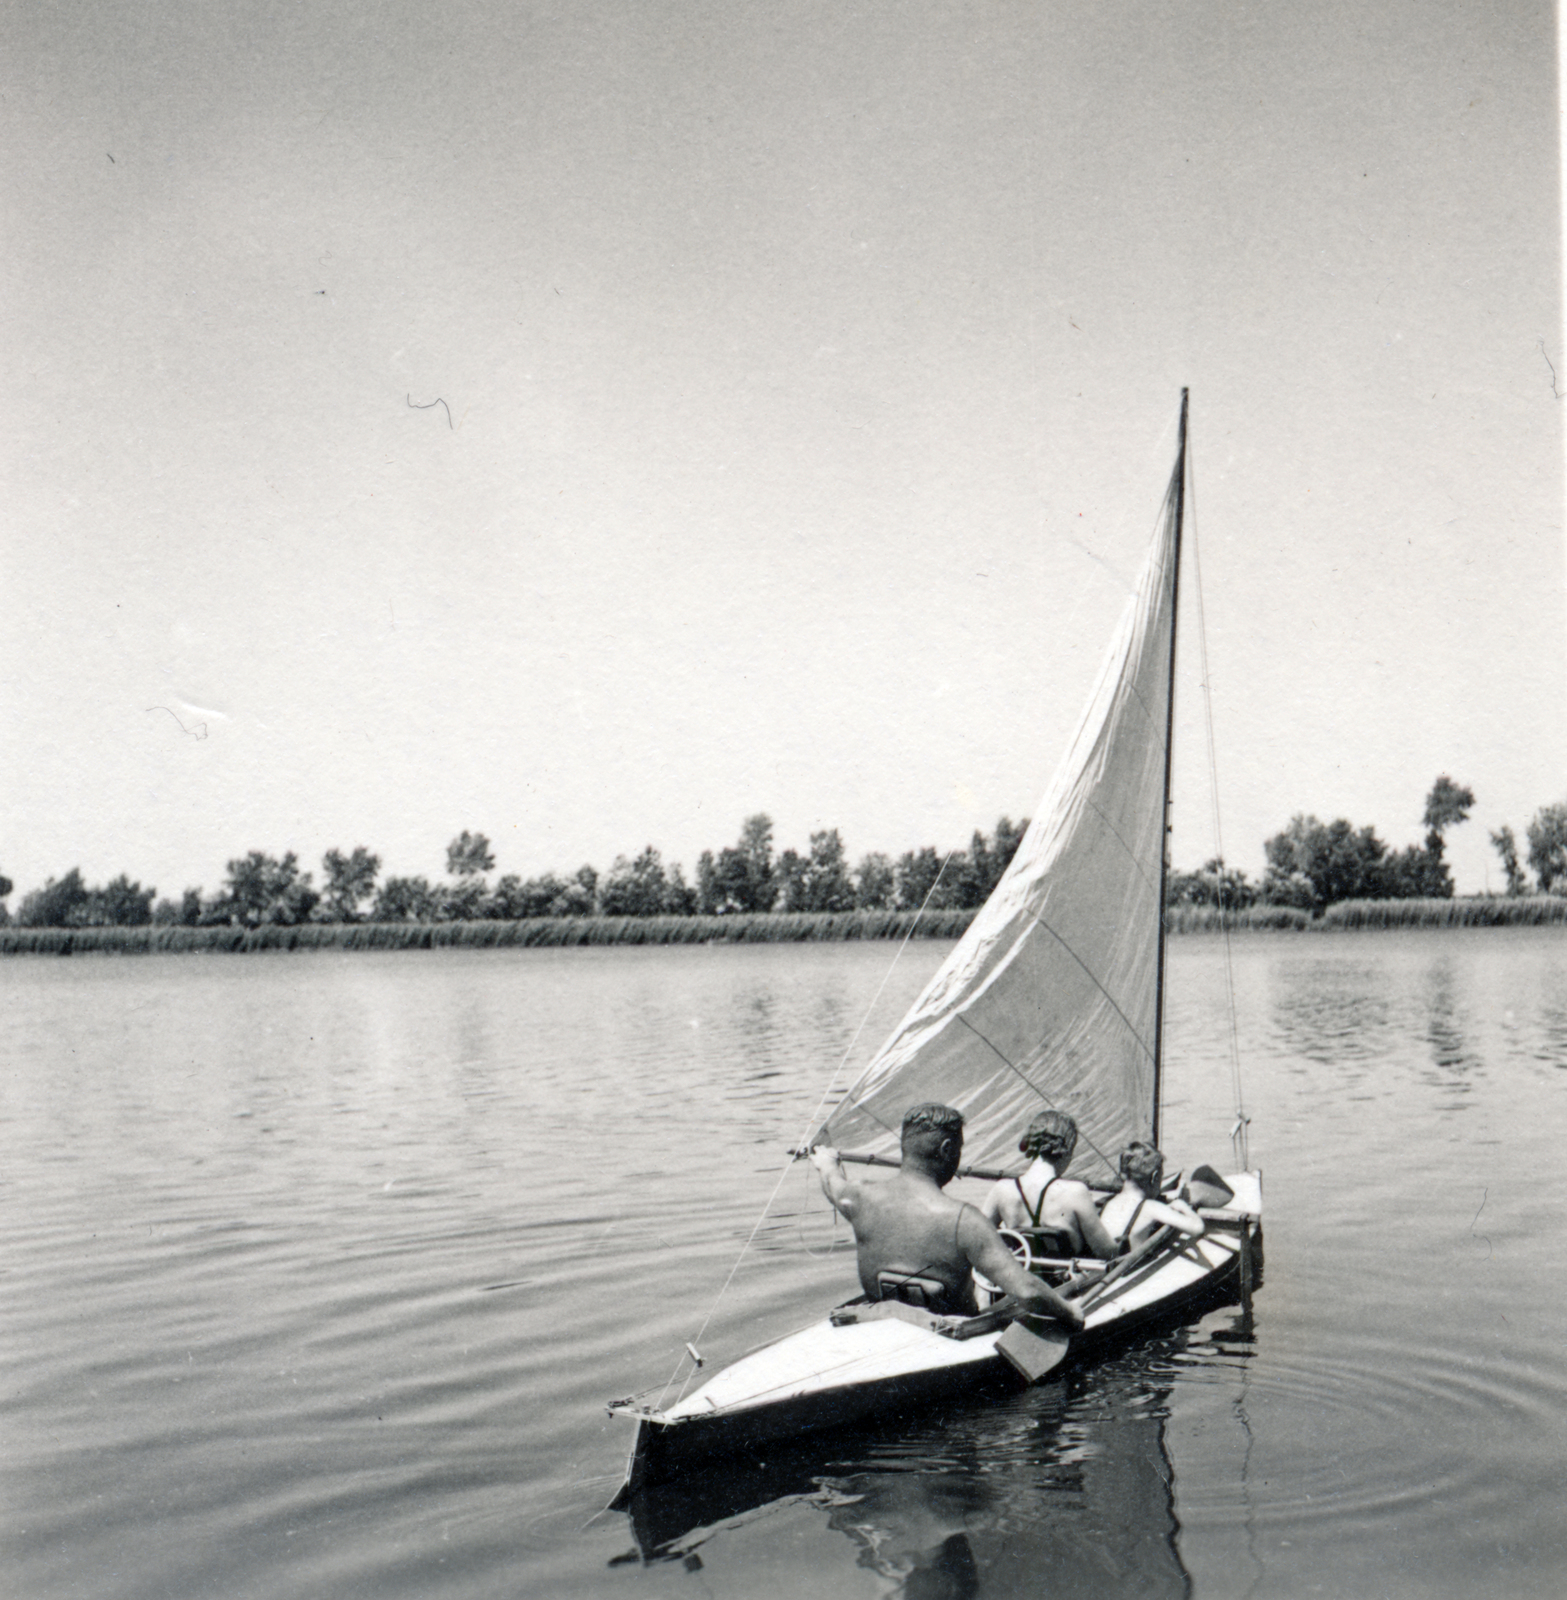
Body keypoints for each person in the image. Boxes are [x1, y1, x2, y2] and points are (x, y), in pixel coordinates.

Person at [809, 1102, 1084, 1328]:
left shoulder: (857, 1197)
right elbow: (1027, 1291)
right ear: (947, 1150)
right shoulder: (965, 1220)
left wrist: (826, 1162)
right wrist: (1069, 1311)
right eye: (960, 1149)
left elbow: (833, 1184)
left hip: (880, 1324)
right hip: (947, 1334)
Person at [980, 1110, 1117, 1260]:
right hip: (1066, 1279)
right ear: (1067, 1149)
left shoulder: (1002, 1189)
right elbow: (1106, 1251)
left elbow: (979, 1239)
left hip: (1022, 1275)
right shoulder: (1075, 1191)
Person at [1098, 1141, 1204, 1253]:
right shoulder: (1150, 1207)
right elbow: (1197, 1229)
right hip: (1133, 1267)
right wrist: (1182, 1206)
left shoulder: (1109, 1202)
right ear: (1155, 1176)